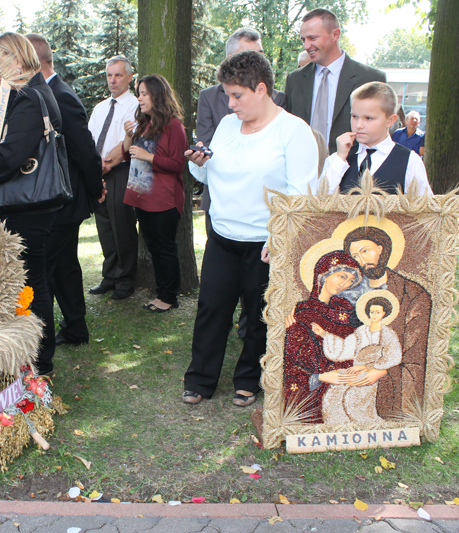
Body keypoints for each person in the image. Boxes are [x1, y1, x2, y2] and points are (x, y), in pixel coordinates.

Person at [182, 51, 318, 407]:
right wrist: (199, 164)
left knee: (258, 314)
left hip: (265, 242)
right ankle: (200, 379)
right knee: (211, 307)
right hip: (222, 235)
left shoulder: (293, 130)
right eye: (227, 94)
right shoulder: (227, 125)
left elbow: (302, 193)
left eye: (237, 95)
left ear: (261, 89)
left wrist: (280, 237)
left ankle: (248, 379)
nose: (230, 103)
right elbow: (210, 174)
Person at [0, 32, 64, 376]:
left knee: (33, 280)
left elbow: (12, 154)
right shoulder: (29, 91)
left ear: (16, 60)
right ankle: (35, 353)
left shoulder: (29, 97)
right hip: (33, 204)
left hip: (29, 204)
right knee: (33, 278)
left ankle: (41, 357)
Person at [26, 34, 103, 347]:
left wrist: (96, 187)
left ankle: (53, 332)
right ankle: (75, 328)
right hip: (59, 200)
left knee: (50, 269)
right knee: (65, 268)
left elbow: (85, 150)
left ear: (37, 61)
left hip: (64, 200)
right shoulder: (45, 93)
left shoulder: (60, 94)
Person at [341, 225, 430, 418]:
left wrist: (381, 371)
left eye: (366, 251)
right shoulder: (344, 293)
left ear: (381, 248)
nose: (362, 260)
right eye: (355, 256)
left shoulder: (412, 294)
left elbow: (415, 356)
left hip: (387, 378)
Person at [122, 74, 187, 313]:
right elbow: (129, 152)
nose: (139, 98)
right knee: (153, 247)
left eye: (143, 93)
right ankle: (163, 293)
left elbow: (178, 165)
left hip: (164, 200)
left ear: (156, 95)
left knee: (164, 248)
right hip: (143, 198)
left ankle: (169, 297)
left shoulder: (174, 126)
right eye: (138, 93)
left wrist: (148, 156)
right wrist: (129, 134)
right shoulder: (144, 123)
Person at [284, 8, 387, 153]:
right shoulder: (294, 80)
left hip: (351, 170)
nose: (306, 46)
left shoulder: (370, 79)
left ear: (335, 35)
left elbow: (380, 136)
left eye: (313, 38)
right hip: (303, 170)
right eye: (303, 40)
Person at [282, 250, 361, 423]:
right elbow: (295, 359)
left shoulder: (346, 311)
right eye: (341, 276)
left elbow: (356, 345)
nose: (345, 284)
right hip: (318, 381)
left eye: (351, 281)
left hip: (349, 378)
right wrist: (320, 377)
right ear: (324, 273)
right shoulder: (303, 311)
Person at [87, 56, 139, 301]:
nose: (113, 80)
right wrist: (94, 166)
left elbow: (128, 140)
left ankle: (126, 279)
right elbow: (90, 138)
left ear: (129, 77)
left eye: (118, 75)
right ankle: (109, 276)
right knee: (104, 224)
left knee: (122, 225)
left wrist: (107, 163)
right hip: (99, 172)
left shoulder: (134, 106)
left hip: (120, 171)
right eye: (109, 75)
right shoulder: (100, 108)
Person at [320, 82, 431, 195]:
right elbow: (319, 200)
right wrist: (340, 158)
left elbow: (424, 207)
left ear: (390, 120)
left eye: (368, 118)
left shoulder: (410, 161)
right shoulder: (339, 158)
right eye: (354, 116)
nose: (359, 125)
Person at [315, 293, 401, 425]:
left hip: (373, 371)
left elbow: (393, 356)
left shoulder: (388, 334)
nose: (374, 315)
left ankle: (364, 423)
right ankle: (337, 424)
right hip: (356, 369)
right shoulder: (361, 332)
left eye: (378, 312)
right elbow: (344, 348)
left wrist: (367, 367)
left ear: (384, 313)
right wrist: (325, 335)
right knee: (336, 390)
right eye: (372, 311)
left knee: (353, 395)